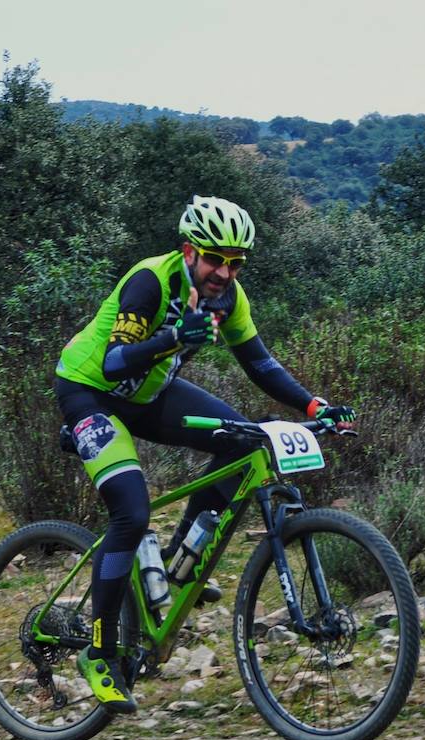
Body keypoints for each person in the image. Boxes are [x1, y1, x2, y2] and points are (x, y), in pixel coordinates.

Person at [54, 195, 355, 713]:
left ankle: (178, 561)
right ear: (189, 251)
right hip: (91, 392)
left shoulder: (229, 297)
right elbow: (113, 363)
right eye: (215, 259)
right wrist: (173, 336)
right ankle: (99, 653)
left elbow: (260, 364)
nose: (224, 273)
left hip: (149, 393)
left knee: (242, 440)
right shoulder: (151, 281)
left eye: (236, 263)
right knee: (131, 512)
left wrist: (314, 405)